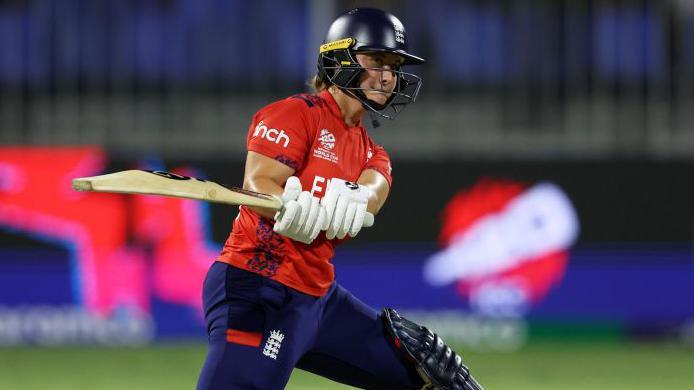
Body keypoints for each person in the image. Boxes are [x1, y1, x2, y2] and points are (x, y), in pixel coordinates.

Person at [197, 7, 482, 390]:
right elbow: (258, 182)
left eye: (394, 66)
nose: (387, 76)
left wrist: (354, 197)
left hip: (319, 303)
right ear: (340, 58)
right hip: (258, 286)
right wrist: (289, 204)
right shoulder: (295, 114)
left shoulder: (372, 153)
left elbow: (372, 192)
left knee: (435, 379)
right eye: (377, 60)